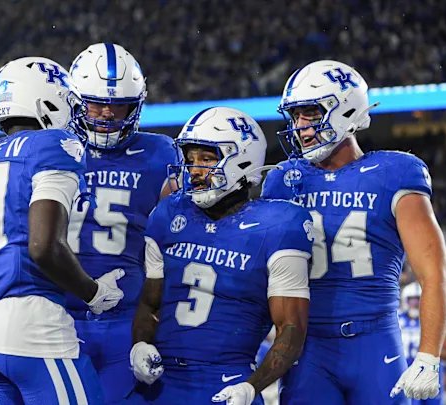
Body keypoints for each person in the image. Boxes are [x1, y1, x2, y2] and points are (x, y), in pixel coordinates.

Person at [0, 56, 124, 405]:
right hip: (36, 332)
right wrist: (94, 293)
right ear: (47, 102)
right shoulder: (52, 146)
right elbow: (43, 247)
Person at [262, 60, 446, 403]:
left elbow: (433, 272)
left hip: (375, 341)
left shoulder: (394, 172)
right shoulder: (282, 180)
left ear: (346, 110)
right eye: (295, 116)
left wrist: (428, 355)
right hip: (307, 346)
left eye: (310, 113)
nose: (300, 127)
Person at [129, 107, 313, 405]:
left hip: (227, 381)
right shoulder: (169, 213)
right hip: (161, 380)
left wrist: (251, 387)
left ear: (243, 160)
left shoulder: (278, 224)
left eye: (207, 159)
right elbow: (151, 304)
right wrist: (140, 344)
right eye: (190, 159)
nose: (195, 170)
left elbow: (291, 328)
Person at [65, 42, 179, 403]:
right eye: (96, 103)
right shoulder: (52, 147)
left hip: (128, 320)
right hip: (59, 317)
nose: (107, 113)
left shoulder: (160, 153)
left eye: (119, 105)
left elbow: (177, 237)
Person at [399, 282, 446, 405]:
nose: (416, 304)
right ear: (405, 300)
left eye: (419, 300)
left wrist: (427, 353)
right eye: (412, 300)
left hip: (431, 373)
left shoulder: (436, 319)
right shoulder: (396, 319)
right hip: (406, 374)